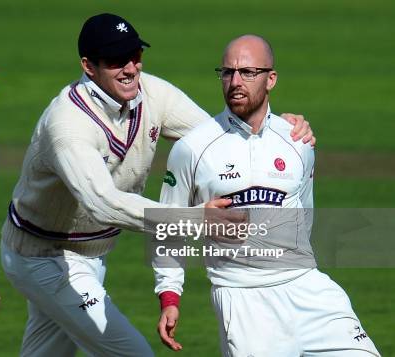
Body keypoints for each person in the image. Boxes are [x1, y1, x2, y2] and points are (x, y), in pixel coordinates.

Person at [0, 13, 314, 356]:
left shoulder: (151, 93)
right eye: (116, 61)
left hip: (90, 254)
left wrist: (279, 129)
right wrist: (194, 218)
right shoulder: (67, 125)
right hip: (44, 255)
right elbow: (102, 203)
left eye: (135, 56)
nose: (131, 68)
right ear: (89, 66)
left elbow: (216, 141)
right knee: (134, 353)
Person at [154, 34, 380, 356]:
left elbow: (305, 213)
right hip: (243, 300)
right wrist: (169, 296)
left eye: (248, 72)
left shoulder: (298, 141)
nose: (235, 81)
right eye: (227, 72)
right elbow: (167, 227)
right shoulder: (192, 148)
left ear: (270, 79)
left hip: (308, 287)